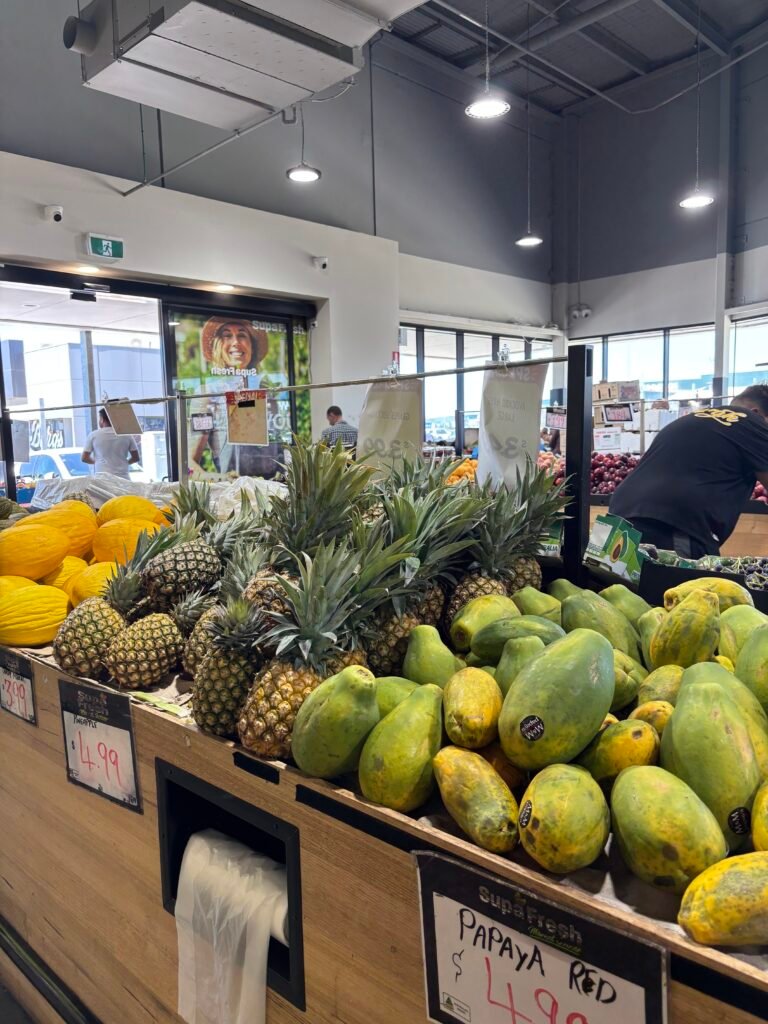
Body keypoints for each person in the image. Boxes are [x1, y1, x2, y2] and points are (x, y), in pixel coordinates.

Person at [609, 385, 768, 558]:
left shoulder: (693, 419)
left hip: (619, 515)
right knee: (676, 585)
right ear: (756, 413)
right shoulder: (754, 423)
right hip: (672, 526)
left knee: (616, 585)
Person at [81, 407, 140, 479]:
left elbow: (84, 458)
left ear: (102, 419)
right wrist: (125, 463)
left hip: (102, 479)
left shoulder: (93, 435)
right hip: (123, 479)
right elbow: (136, 458)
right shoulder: (126, 435)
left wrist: (98, 462)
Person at [201, 317, 269, 376]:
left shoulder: (265, 388)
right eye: (228, 335)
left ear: (252, 348)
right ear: (218, 347)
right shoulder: (210, 389)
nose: (236, 342)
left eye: (241, 335)